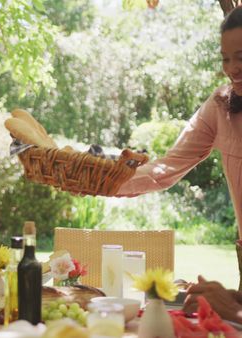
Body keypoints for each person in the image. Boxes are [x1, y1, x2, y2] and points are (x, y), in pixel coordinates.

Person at [117, 6, 242, 322]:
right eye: (226, 59)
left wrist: (236, 309)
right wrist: (97, 180)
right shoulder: (222, 105)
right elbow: (166, 168)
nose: (232, 69)